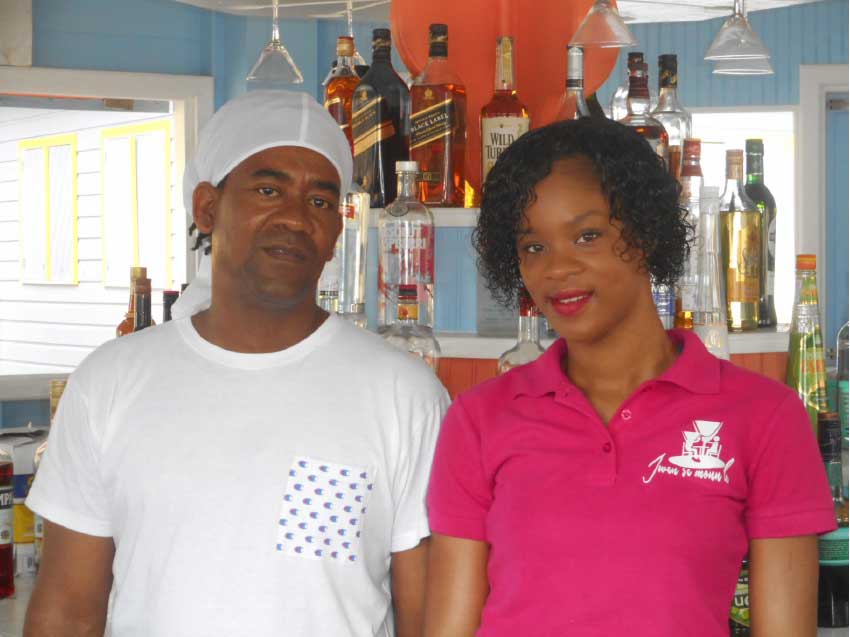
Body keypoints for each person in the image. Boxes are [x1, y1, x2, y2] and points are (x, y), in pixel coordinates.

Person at [24, 90, 449, 637]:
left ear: (336, 235)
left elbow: (429, 618)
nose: (296, 218)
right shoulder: (110, 383)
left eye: (320, 202)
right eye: (269, 190)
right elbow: (66, 611)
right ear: (207, 207)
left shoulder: (404, 396)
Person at [423, 118, 836, 636]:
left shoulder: (765, 416)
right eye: (534, 247)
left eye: (587, 236)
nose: (557, 269)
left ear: (645, 234)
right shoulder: (479, 419)